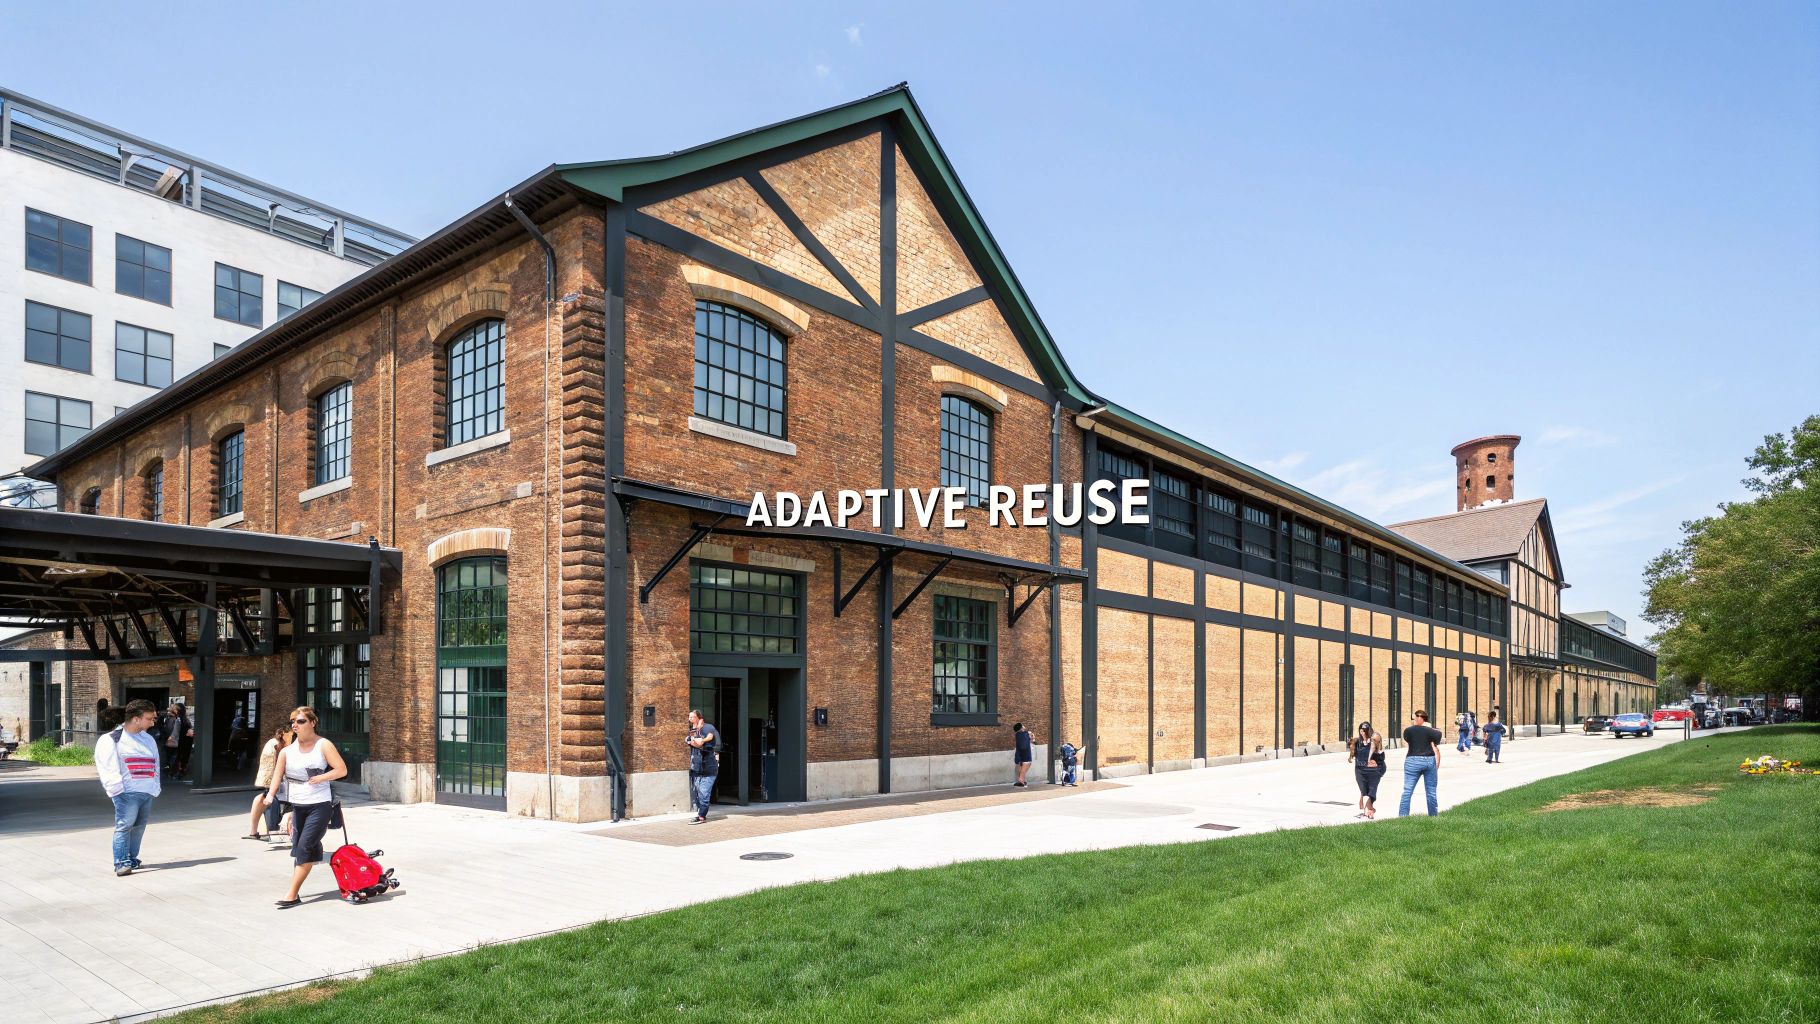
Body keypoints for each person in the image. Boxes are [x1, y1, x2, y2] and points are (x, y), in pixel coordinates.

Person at [265, 707, 347, 908]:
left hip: (320, 805)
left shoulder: (323, 745)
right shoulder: (286, 751)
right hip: (298, 806)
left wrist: (322, 777)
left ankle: (291, 894)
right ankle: (311, 860)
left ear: (312, 723)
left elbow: (341, 769)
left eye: (300, 721)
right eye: (293, 721)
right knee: (302, 848)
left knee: (304, 847)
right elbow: (277, 774)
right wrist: (270, 795)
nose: (295, 725)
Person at [95, 700, 162, 876]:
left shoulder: (148, 739)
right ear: (136, 719)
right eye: (149, 718)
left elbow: (156, 764)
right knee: (124, 826)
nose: (152, 722)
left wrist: (155, 787)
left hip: (146, 791)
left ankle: (132, 858)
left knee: (139, 827)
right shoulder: (111, 739)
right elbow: (107, 766)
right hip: (126, 792)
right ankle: (121, 862)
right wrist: (116, 790)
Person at [245, 724, 294, 841]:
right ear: (284, 733)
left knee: (262, 798)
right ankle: (272, 831)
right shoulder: (277, 745)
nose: (292, 738)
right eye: (291, 735)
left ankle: (254, 832)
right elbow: (278, 767)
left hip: (269, 780)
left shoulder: (272, 742)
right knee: (270, 801)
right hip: (274, 781)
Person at [1399, 709, 1445, 817]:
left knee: (1407, 791)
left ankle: (1402, 816)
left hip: (1412, 760)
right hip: (1428, 760)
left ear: (1419, 717)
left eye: (1415, 717)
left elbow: (1408, 739)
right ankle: (1433, 816)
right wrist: (1429, 727)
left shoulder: (1408, 730)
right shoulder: (1430, 731)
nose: (1414, 719)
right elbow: (1438, 736)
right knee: (1431, 791)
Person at [685, 709, 720, 824]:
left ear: (699, 718)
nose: (690, 719)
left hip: (708, 768)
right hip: (696, 768)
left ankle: (701, 816)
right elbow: (693, 741)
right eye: (689, 717)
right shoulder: (693, 730)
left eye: (692, 717)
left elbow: (709, 737)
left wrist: (702, 740)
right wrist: (692, 739)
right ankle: (701, 812)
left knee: (704, 792)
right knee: (696, 793)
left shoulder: (708, 727)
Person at [1347, 721, 1386, 819]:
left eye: (1365, 730)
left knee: (1371, 792)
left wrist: (1377, 761)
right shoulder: (1357, 743)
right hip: (1360, 770)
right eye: (1361, 730)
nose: (1363, 733)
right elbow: (1354, 753)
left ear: (1369, 730)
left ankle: (1366, 813)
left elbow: (1381, 757)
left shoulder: (1375, 741)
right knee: (1364, 791)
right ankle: (1370, 810)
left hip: (1373, 771)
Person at [172, 704, 194, 778]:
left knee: (178, 758)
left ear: (177, 710)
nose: (173, 710)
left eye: (174, 709)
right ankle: (182, 771)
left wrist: (171, 738)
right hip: (187, 742)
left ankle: (176, 773)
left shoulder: (178, 719)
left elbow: (175, 733)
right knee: (184, 758)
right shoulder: (186, 719)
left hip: (181, 742)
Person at [1012, 722, 1035, 787]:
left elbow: (1031, 741)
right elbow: (1025, 745)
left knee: (1022, 769)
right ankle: (1021, 781)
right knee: (1023, 769)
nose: (1024, 726)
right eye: (1023, 726)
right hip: (1026, 755)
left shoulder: (1019, 735)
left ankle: (1021, 781)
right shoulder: (1024, 734)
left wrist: (1030, 736)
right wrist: (1029, 736)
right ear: (1021, 728)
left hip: (1022, 755)